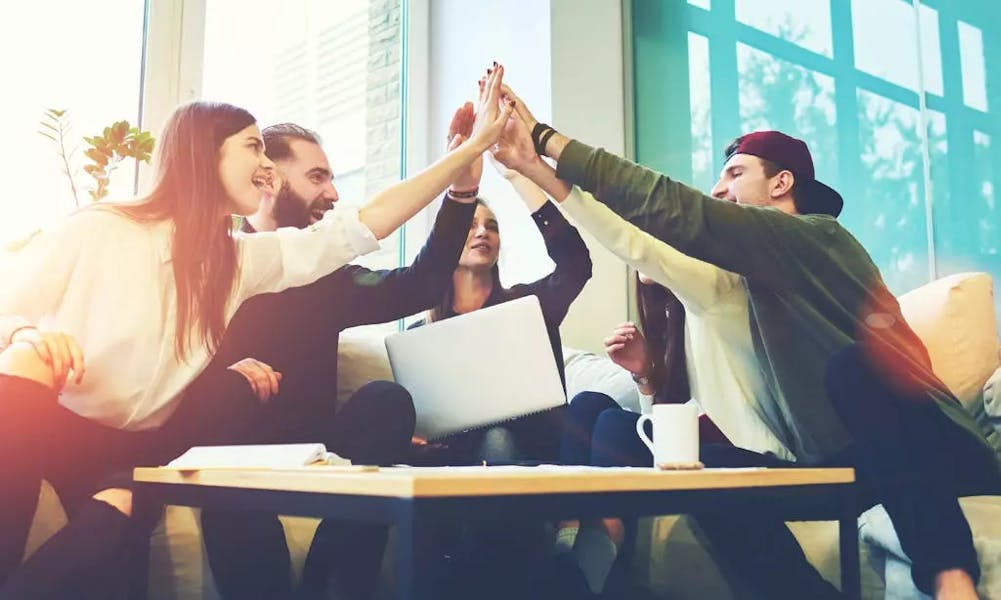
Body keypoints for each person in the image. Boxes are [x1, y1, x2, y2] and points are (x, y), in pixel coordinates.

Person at [0, 66, 512, 599]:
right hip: (67, 425)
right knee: (25, 362)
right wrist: (23, 337)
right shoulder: (99, 227)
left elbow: (358, 226)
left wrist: (464, 158)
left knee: (117, 510)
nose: (265, 165)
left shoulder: (241, 262)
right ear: (205, 154)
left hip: (144, 454)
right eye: (253, 148)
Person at [492, 85, 1001, 599]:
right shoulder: (746, 284)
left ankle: (951, 579)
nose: (718, 190)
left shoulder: (818, 236)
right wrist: (535, 173)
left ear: (782, 183)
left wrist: (545, 139)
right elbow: (638, 243)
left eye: (735, 174)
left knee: (855, 367)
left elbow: (673, 212)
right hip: (846, 466)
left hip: (935, 447)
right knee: (703, 472)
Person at [196, 108, 483, 600]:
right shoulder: (211, 265)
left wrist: (461, 191)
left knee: (386, 401)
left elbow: (420, 284)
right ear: (267, 177)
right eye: (316, 177)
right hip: (234, 455)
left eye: (331, 178)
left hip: (315, 454)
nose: (332, 193)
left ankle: (329, 584)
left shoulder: (325, 276)